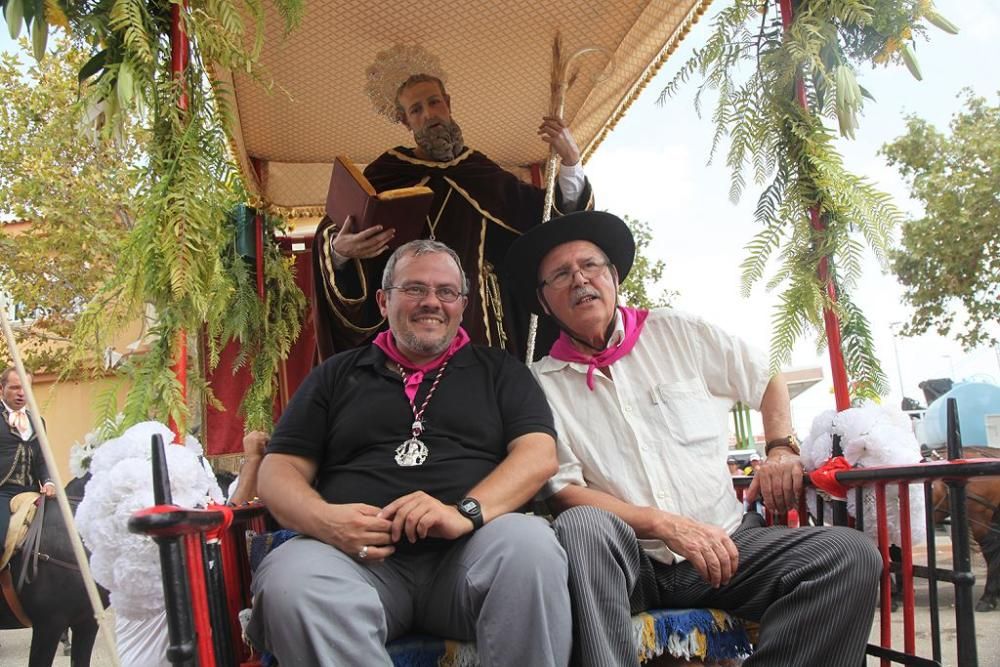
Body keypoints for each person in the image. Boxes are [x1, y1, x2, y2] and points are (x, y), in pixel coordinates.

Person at [505, 211, 882, 667]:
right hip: (628, 566)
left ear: (614, 277)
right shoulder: (538, 383)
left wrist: (781, 446)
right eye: (560, 275)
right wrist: (666, 526)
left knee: (849, 556)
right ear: (545, 303)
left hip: (726, 545)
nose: (580, 279)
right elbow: (564, 491)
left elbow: (764, 378)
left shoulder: (677, 331)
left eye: (591, 266)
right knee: (581, 526)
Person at [248, 239, 571, 665]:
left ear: (462, 304)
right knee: (291, 580)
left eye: (446, 292)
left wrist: (464, 512)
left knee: (531, 546)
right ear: (383, 301)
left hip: (471, 560)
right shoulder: (334, 375)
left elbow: (538, 455)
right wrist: (326, 522)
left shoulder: (501, 371)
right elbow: (278, 470)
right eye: (415, 289)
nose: (431, 303)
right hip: (354, 564)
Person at [313, 44, 594, 361]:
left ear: (448, 104)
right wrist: (339, 252)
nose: (429, 114)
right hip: (412, 327)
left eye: (434, 102)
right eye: (416, 110)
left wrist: (570, 162)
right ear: (406, 122)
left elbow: (548, 222)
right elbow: (338, 229)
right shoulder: (387, 173)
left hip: (484, 328)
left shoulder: (480, 170)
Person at [0, 368, 55, 546]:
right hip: (2, 492)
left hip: (31, 491)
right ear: (1, 389)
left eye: (26, 387)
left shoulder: (38, 422)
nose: (21, 393)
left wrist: (48, 482)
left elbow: (42, 459)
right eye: (15, 387)